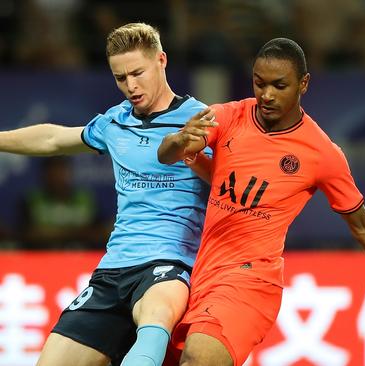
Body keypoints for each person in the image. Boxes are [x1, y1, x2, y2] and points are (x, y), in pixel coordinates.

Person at [157, 37, 365, 366]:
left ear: (304, 84)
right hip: (202, 276)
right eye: (259, 83)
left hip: (250, 283)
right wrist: (179, 141)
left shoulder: (321, 153)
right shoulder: (230, 116)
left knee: (199, 359)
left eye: (279, 85)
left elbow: (363, 226)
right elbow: (169, 154)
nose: (267, 95)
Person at [0, 23, 209, 366]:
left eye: (138, 73)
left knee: (155, 316)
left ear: (161, 60)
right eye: (120, 77)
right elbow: (52, 139)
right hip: (113, 271)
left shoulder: (201, 120)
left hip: (170, 265)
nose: (130, 86)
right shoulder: (115, 122)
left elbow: (230, 184)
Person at [17, 156, 109, 250]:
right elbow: (27, 234)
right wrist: (76, 233)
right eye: (53, 173)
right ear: (44, 175)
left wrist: (52, 233)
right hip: (44, 256)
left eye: (61, 172)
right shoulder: (32, 200)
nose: (57, 178)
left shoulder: (85, 199)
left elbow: (99, 233)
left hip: (82, 255)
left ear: (69, 173)